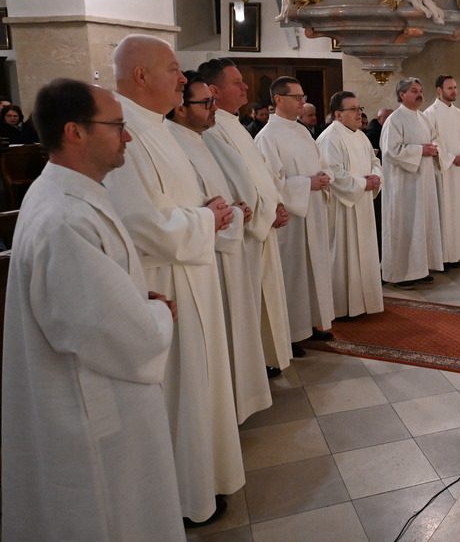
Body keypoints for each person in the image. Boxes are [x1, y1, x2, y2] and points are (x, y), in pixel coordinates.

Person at [2, 79, 185, 541]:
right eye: (117, 125)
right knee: (114, 515)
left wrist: (133, 297)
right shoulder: (64, 217)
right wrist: (157, 314)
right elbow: (122, 337)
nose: (127, 136)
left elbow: (88, 297)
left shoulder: (71, 194)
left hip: (96, 388)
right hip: (92, 403)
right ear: (75, 131)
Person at [102, 34, 243, 527]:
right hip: (164, 281)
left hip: (190, 271)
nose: (183, 79)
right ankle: (180, 497)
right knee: (177, 390)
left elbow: (175, 203)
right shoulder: (124, 131)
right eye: (173, 69)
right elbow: (138, 222)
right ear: (140, 75)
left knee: (196, 387)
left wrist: (209, 211)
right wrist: (206, 218)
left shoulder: (156, 126)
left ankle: (198, 484)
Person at [167, 72, 272, 423]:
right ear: (181, 109)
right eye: (206, 102)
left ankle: (235, 403)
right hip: (208, 255)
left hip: (224, 246)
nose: (214, 107)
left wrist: (237, 210)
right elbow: (197, 206)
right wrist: (232, 214)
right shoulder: (176, 143)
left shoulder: (199, 138)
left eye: (213, 101)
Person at [198, 58, 293, 379]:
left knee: (265, 296)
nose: (245, 86)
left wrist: (277, 203)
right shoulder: (214, 129)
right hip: (247, 231)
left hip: (260, 225)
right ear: (214, 90)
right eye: (236, 82)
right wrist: (266, 213)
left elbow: (261, 174)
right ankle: (254, 365)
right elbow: (235, 183)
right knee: (250, 299)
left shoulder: (233, 124)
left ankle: (265, 357)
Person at [255, 76, 335, 349]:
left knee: (312, 271)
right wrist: (306, 184)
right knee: (292, 274)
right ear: (278, 100)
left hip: (313, 212)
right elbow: (268, 181)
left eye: (303, 97)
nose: (303, 101)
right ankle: (289, 335)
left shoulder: (302, 131)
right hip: (291, 218)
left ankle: (309, 324)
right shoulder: (267, 136)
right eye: (297, 97)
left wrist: (324, 176)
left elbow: (321, 163)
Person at [317, 91, 384, 318]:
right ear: (338, 114)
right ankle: (343, 307)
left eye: (359, 108)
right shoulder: (329, 138)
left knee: (364, 252)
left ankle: (364, 302)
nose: (359, 113)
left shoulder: (361, 136)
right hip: (342, 208)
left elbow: (375, 161)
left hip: (362, 204)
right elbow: (332, 173)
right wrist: (362, 183)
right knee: (344, 255)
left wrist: (376, 177)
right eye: (353, 109)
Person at [380, 77, 444, 288]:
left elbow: (434, 138)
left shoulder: (422, 117)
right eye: (414, 91)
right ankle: (400, 274)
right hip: (403, 185)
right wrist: (420, 150)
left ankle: (419, 269)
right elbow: (390, 151)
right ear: (402, 94)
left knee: (422, 225)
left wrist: (433, 148)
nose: (420, 95)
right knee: (404, 227)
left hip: (423, 182)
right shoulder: (395, 119)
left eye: (420, 90)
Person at [424, 74, 460, 270]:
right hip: (441, 170)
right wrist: (451, 158)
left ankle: (455, 254)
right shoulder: (430, 113)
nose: (454, 91)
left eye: (455, 87)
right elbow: (431, 141)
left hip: (457, 171)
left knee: (456, 213)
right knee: (443, 212)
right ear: (439, 90)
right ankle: (442, 257)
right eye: (450, 88)